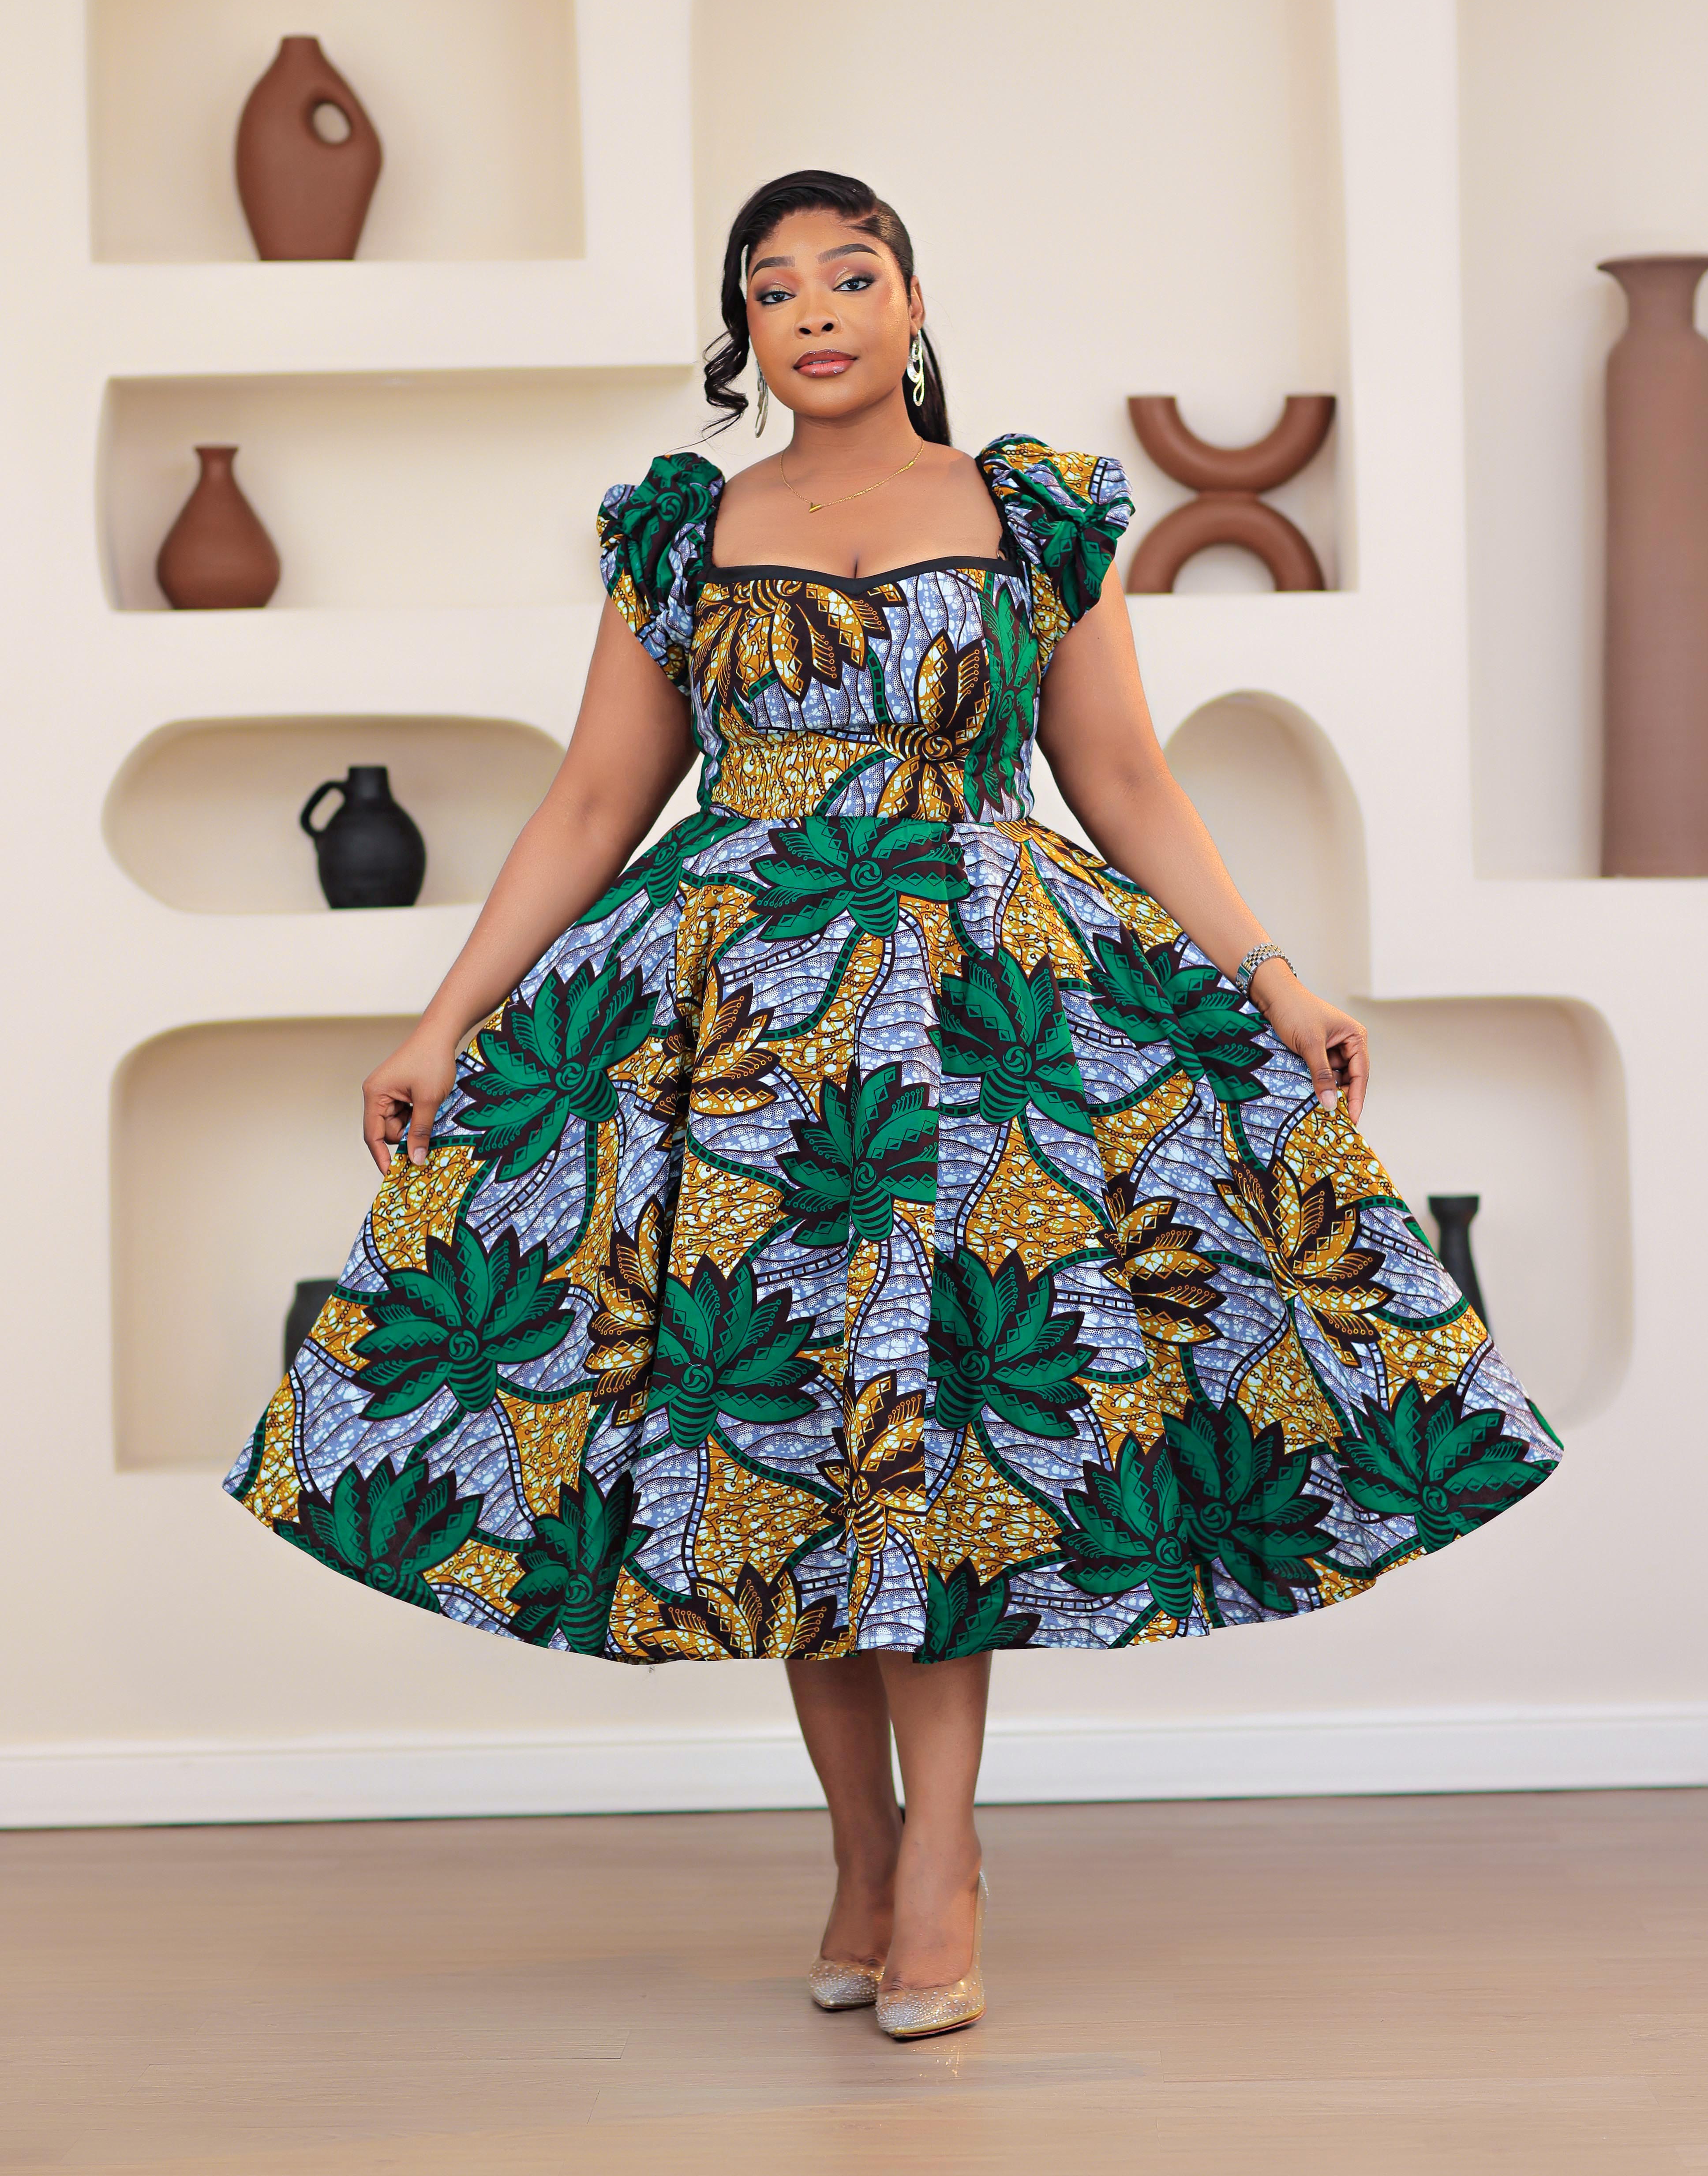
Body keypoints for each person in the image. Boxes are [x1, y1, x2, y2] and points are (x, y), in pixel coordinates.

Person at [227, 168, 1562, 2041]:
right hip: (744, 1040)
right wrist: (443, 1018)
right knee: (787, 1442)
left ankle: (944, 1860)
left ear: (914, 301)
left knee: (941, 1447)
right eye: (773, 290)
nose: (818, 310)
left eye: (851, 274)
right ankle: (859, 1849)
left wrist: (1273, 973)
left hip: (982, 1028)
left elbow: (1121, 779)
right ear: (744, 336)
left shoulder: (1032, 509)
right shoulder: (683, 530)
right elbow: (596, 804)